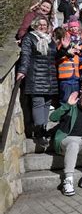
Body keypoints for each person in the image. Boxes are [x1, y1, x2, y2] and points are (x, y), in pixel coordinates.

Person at [17, 16, 58, 146]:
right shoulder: (30, 37)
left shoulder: (50, 39)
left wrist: (65, 50)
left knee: (47, 103)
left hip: (49, 77)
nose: (42, 27)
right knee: (38, 102)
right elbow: (26, 55)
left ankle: (44, 129)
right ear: (34, 25)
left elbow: (54, 56)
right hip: (35, 76)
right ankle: (39, 132)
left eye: (45, 25)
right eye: (39, 24)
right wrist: (22, 70)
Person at [50, 90, 82, 196]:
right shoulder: (70, 108)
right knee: (73, 144)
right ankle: (68, 180)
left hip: (81, 141)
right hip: (65, 140)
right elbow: (52, 117)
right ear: (80, 98)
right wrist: (67, 105)